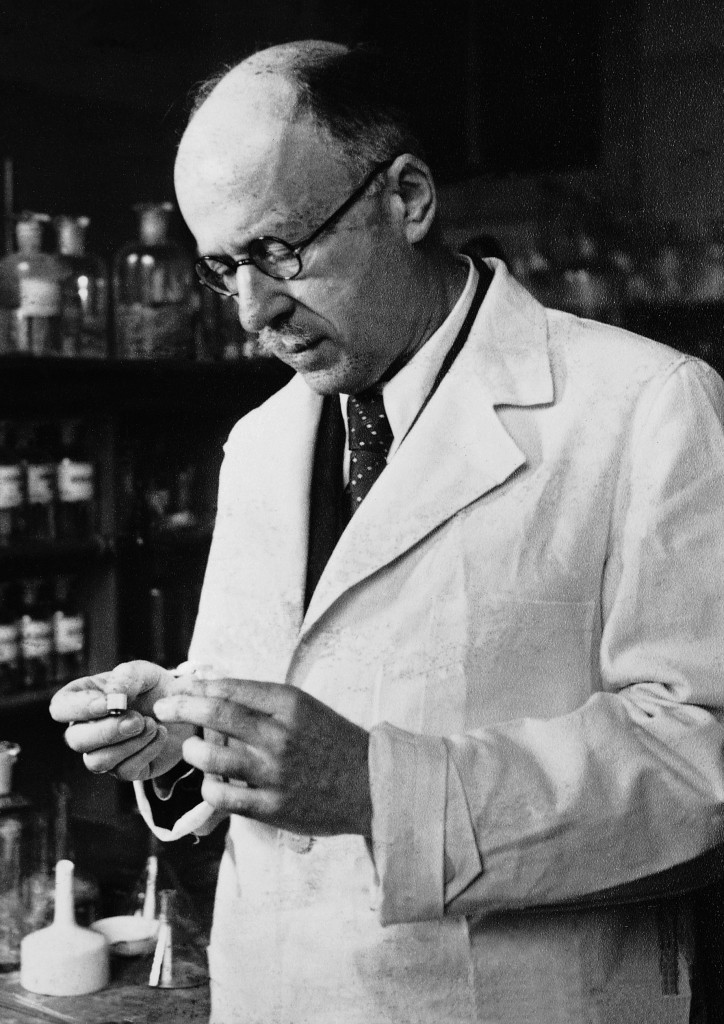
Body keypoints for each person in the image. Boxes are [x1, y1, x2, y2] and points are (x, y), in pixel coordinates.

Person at [50, 40, 724, 1024]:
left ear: (406, 197)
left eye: (280, 250)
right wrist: (178, 742)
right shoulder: (260, 442)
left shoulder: (647, 406)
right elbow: (279, 723)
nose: (253, 311)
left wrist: (380, 792)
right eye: (225, 267)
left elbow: (701, 766)